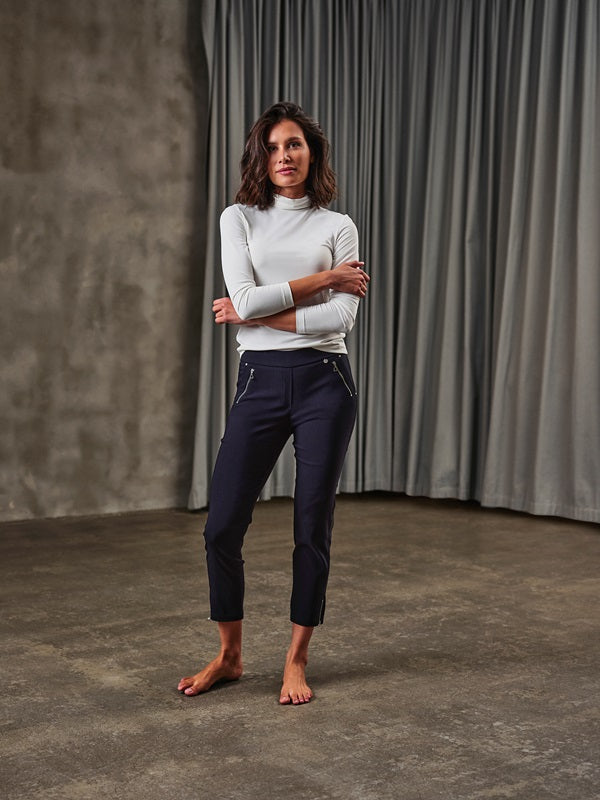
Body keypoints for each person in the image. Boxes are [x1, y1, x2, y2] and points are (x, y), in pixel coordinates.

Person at [178, 101, 369, 705]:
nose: (283, 156)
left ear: (312, 153)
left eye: (294, 145)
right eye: (272, 147)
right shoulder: (238, 218)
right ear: (259, 158)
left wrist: (255, 311)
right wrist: (325, 279)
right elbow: (244, 296)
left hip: (325, 383)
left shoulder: (338, 226)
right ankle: (230, 655)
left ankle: (296, 659)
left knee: (311, 526)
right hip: (259, 381)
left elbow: (339, 319)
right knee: (221, 526)